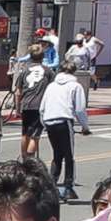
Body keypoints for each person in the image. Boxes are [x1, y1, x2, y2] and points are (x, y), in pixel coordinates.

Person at [39, 62, 89, 198]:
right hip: (64, 121)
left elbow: (42, 108)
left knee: (57, 155)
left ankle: (51, 185)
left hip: (49, 121)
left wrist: (44, 123)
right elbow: (79, 109)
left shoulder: (51, 86)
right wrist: (85, 127)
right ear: (74, 72)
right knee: (68, 155)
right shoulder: (75, 86)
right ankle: (68, 187)